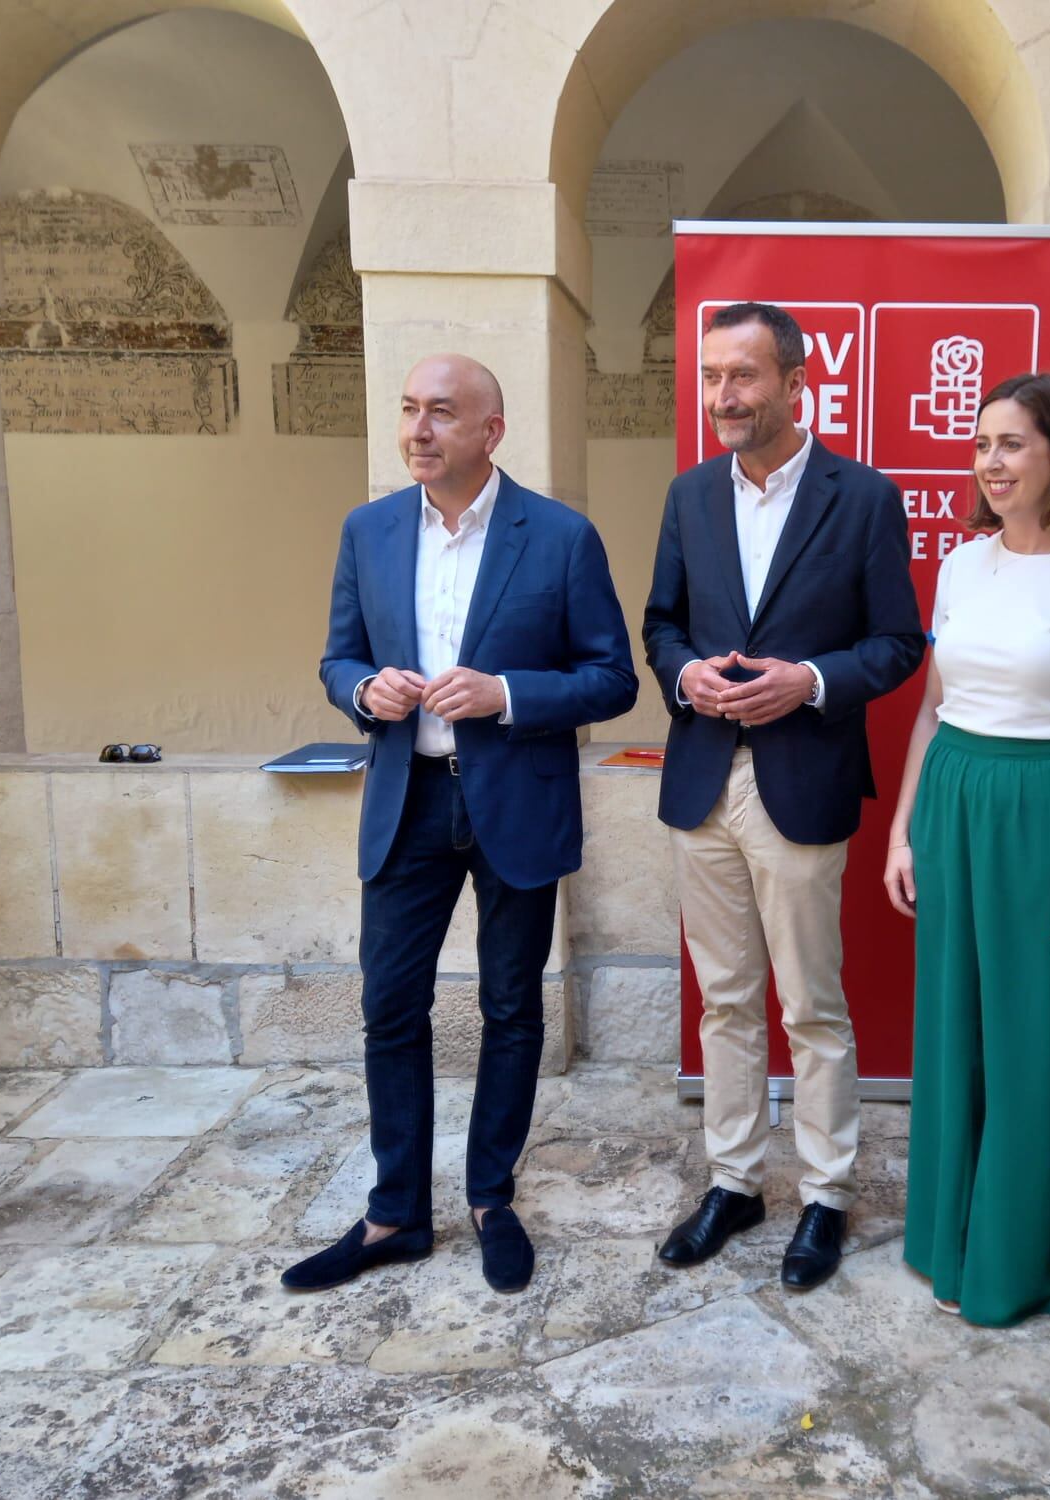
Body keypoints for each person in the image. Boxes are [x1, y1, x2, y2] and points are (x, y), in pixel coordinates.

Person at [287, 354, 637, 1295]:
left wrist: (504, 694)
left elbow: (612, 678)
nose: (418, 429)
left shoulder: (560, 537)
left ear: (492, 430)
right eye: (409, 410)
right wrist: (365, 688)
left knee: (511, 1007)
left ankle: (490, 1198)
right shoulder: (368, 530)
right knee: (390, 1007)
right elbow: (337, 659)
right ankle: (395, 1212)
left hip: (515, 800)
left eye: (441, 412)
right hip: (408, 799)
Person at [644, 301, 924, 1291]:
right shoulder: (688, 495)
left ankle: (825, 1195)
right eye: (710, 376)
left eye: (743, 376)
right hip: (701, 780)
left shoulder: (863, 497)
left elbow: (898, 644)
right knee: (724, 1001)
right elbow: (661, 625)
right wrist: (685, 675)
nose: (723, 396)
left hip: (801, 780)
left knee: (810, 1003)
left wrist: (808, 681)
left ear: (796, 382)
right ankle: (733, 1183)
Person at [883, 371, 1050, 1326]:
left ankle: (1010, 1267)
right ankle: (946, 1243)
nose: (991, 464)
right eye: (981, 444)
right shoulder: (962, 565)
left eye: (1012, 444)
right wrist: (902, 830)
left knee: (1035, 1045)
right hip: (953, 800)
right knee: (952, 1035)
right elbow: (932, 710)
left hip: (1048, 815)